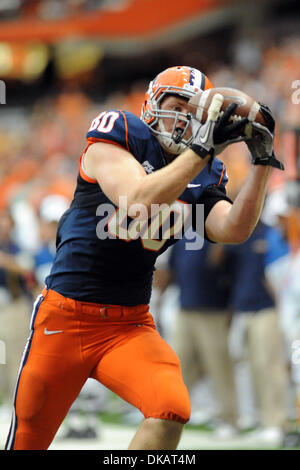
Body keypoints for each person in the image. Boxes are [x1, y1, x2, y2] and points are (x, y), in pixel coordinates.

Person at [5, 65, 284, 450]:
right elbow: (136, 199)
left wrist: (262, 163)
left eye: (193, 111)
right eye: (176, 106)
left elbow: (233, 229)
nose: (184, 118)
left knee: (170, 407)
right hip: (65, 317)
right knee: (27, 440)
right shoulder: (120, 131)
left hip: (128, 325)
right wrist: (200, 152)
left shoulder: (206, 173)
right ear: (151, 104)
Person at [169, 236, 239, 437]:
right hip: (185, 307)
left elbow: (230, 269)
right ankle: (169, 414)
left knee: (219, 367)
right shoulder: (183, 233)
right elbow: (175, 268)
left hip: (213, 310)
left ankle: (229, 419)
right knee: (178, 365)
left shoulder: (217, 230)